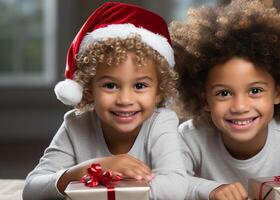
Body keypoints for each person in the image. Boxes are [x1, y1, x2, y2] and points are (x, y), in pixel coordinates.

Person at [169, 0, 280, 199]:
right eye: (224, 93)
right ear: (204, 99)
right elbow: (168, 183)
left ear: (278, 93)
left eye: (255, 90)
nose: (240, 106)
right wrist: (211, 189)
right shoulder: (190, 137)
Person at [23, 2, 187, 200]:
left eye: (140, 86)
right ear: (89, 90)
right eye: (110, 86)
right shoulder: (76, 124)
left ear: (159, 91)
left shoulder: (161, 122)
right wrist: (88, 169)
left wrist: (108, 190)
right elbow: (31, 189)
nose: (125, 100)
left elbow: (176, 188)